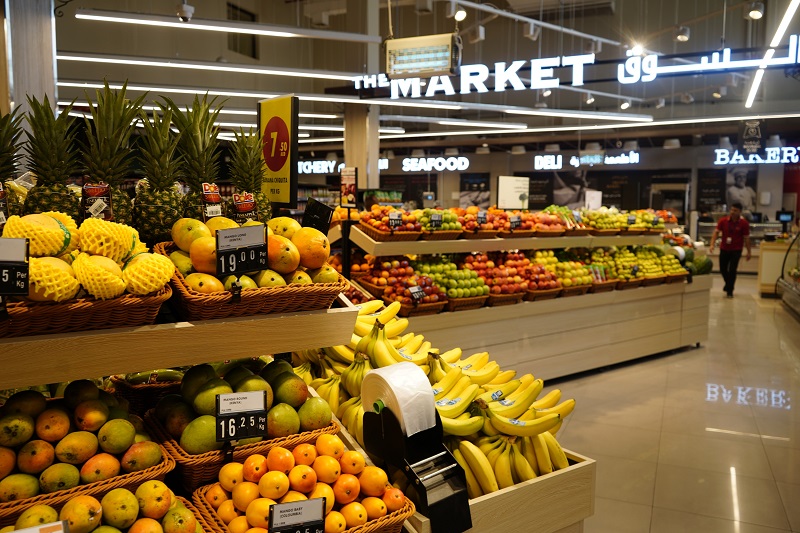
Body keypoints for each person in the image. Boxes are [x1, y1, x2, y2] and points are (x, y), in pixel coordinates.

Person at [709, 202, 751, 298]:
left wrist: (749, 251)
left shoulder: (744, 223)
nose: (732, 212)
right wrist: (712, 244)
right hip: (724, 248)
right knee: (722, 269)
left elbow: (747, 238)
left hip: (736, 250)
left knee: (732, 270)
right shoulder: (723, 221)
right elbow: (716, 233)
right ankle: (728, 284)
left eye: (735, 210)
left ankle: (730, 290)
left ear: (740, 212)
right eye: (732, 210)